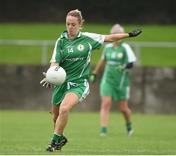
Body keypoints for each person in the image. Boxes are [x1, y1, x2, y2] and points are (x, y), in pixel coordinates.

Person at [40, 9, 142, 152]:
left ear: (80, 24)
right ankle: (61, 138)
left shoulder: (88, 39)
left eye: (73, 24)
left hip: (79, 84)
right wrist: (50, 75)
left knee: (64, 108)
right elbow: (55, 63)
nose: (70, 27)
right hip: (61, 84)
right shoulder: (61, 41)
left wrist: (129, 35)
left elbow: (109, 38)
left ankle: (54, 141)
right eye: (68, 24)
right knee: (55, 117)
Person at [90, 24, 136, 137]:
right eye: (114, 34)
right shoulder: (108, 47)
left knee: (123, 108)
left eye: (118, 34)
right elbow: (102, 61)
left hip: (121, 81)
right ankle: (103, 130)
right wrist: (95, 73)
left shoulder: (125, 47)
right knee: (106, 103)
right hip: (108, 79)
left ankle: (129, 125)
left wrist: (124, 67)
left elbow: (131, 63)